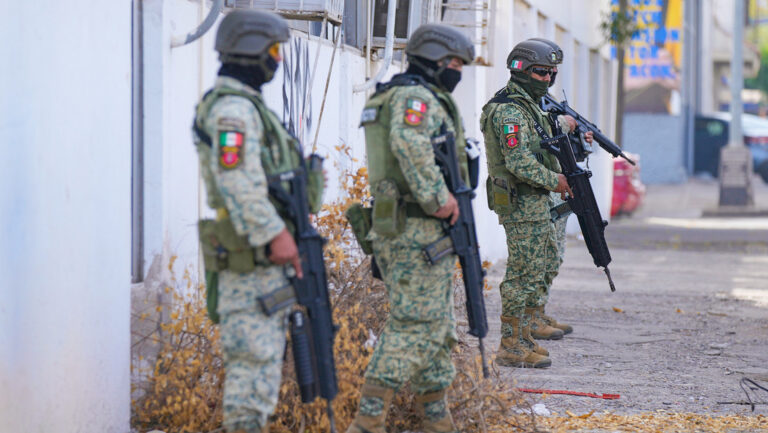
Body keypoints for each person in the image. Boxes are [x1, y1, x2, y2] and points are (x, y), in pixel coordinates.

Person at [192, 10, 323, 433]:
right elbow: (236, 179)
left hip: (266, 259)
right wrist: (275, 233)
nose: (278, 60)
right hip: (251, 259)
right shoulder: (232, 110)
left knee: (262, 371)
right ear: (251, 50)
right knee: (252, 374)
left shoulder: (248, 106)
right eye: (273, 51)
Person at [346, 24, 475, 433]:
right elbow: (410, 144)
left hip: (418, 229)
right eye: (454, 64)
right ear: (435, 59)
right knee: (413, 325)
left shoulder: (402, 94)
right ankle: (366, 423)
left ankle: (437, 420)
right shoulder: (413, 97)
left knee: (436, 328)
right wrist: (439, 198)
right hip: (415, 229)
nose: (457, 72)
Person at [479, 38, 592, 368]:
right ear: (521, 70)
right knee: (521, 274)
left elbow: (543, 142)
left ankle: (524, 336)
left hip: (535, 200)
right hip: (519, 202)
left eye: (552, 73)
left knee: (537, 268)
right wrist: (557, 181)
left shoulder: (529, 107)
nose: (547, 79)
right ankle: (510, 345)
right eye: (541, 72)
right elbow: (518, 162)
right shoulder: (508, 111)